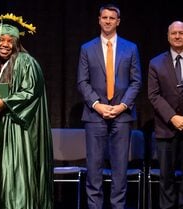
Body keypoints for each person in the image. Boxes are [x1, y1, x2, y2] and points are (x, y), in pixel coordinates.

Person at [76, 4, 142, 209]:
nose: (107, 21)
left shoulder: (130, 48)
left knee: (120, 169)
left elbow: (136, 81)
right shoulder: (87, 48)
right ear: (99, 19)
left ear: (118, 21)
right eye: (104, 17)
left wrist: (122, 106)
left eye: (112, 18)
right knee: (94, 169)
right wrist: (98, 105)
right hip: (95, 116)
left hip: (122, 116)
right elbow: (82, 81)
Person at [0, 14, 53, 209]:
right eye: (2, 40)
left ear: (16, 43)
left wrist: (5, 103)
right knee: (2, 177)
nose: (5, 44)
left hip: (19, 129)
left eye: (10, 40)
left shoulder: (26, 62)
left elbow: (31, 92)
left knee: (18, 173)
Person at [148, 20, 183, 209]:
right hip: (165, 128)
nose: (177, 36)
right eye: (174, 33)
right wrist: (173, 117)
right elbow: (153, 95)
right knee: (166, 178)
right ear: (168, 36)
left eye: (181, 33)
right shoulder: (156, 63)